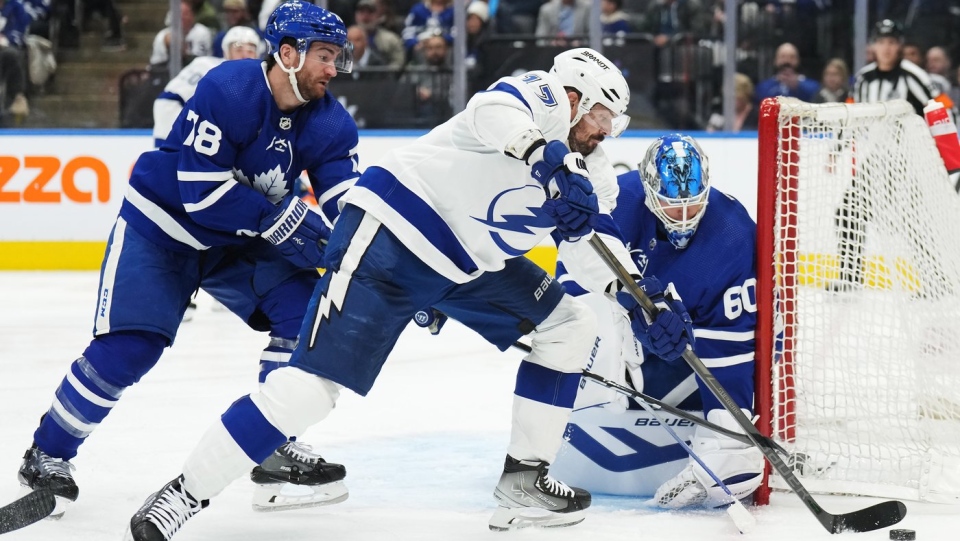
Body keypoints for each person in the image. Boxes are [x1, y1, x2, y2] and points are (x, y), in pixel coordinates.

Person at [124, 47, 690, 540]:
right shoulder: (539, 97)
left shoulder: (594, 173)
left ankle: (525, 480)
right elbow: (493, 111)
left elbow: (593, 245)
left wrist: (642, 298)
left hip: (468, 266)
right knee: (311, 392)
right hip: (391, 234)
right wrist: (545, 158)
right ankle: (183, 494)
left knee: (570, 326)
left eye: (611, 124)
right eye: (598, 116)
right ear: (573, 96)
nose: (603, 131)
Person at [17, 0, 359, 522]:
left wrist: (384, 258)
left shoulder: (332, 123)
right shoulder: (232, 89)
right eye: (326, 56)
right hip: (164, 228)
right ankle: (47, 454)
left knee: (306, 313)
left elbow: (348, 208)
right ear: (288, 53)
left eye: (338, 57)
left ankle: (269, 445)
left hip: (239, 239)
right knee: (132, 346)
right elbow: (200, 193)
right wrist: (278, 218)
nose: (334, 69)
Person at [549, 133, 763, 508]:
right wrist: (627, 313)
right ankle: (587, 404)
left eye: (693, 206)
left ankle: (715, 435)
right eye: (671, 205)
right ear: (649, 191)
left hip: (690, 351)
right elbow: (573, 279)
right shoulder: (616, 200)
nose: (683, 217)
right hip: (628, 345)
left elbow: (732, 342)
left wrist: (729, 437)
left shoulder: (733, 232)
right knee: (586, 319)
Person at [834, 19, 951, 290]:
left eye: (892, 43)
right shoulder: (864, 79)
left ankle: (935, 279)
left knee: (913, 220)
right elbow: (851, 117)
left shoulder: (913, 75)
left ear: (899, 46)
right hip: (876, 160)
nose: (886, 48)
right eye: (881, 42)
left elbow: (940, 110)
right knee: (848, 212)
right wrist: (836, 150)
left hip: (908, 161)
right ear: (873, 46)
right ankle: (850, 277)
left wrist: (947, 155)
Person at [153, 25, 264, 147]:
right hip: (176, 113)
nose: (245, 55)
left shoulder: (260, 80)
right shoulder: (206, 65)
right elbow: (169, 100)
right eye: (238, 50)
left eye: (250, 50)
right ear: (226, 52)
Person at [149, 0, 214, 68]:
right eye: (179, 14)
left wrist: (183, 53)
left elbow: (202, 62)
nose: (182, 18)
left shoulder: (202, 32)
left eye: (186, 14)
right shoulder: (162, 35)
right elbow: (155, 64)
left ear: (192, 16)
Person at [754, 42, 820, 104]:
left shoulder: (812, 86)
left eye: (792, 57)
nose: (787, 61)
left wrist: (797, 87)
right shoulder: (763, 86)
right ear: (775, 60)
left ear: (798, 60)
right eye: (783, 57)